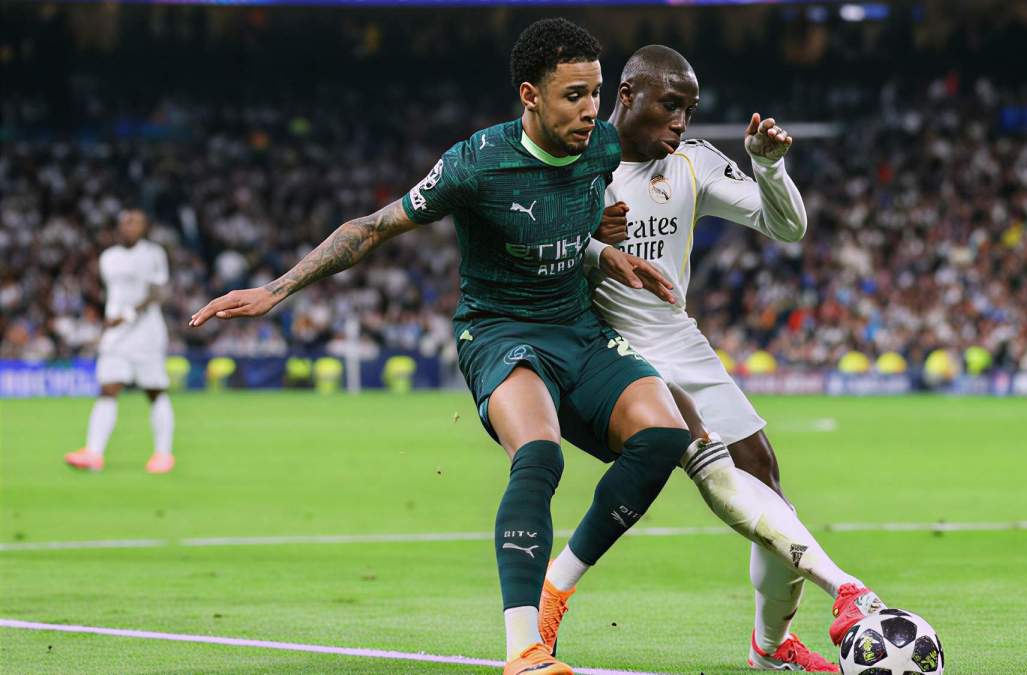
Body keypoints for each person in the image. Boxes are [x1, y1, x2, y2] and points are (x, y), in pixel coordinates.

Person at [189, 20, 694, 675]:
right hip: (500, 331)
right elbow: (373, 227)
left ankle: (557, 586)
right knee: (539, 455)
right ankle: (524, 649)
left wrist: (603, 249)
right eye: (574, 95)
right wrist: (275, 290)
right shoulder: (476, 163)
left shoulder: (600, 147)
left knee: (664, 437)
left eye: (596, 93)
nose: (591, 110)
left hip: (578, 328)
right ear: (529, 95)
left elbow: (578, 215)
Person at [538, 46, 884, 671]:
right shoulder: (579, 163)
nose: (681, 122)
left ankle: (770, 647)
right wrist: (589, 246)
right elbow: (533, 251)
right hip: (609, 347)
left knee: (765, 478)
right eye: (670, 105)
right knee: (704, 463)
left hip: (679, 340)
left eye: (690, 110)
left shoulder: (693, 164)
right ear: (627, 95)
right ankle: (846, 590)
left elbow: (787, 228)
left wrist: (768, 167)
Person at [65, 209, 176, 474]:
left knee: (154, 391)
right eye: (125, 223)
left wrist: (125, 315)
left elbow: (158, 294)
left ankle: (163, 455)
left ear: (144, 227)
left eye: (135, 223)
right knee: (108, 389)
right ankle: (94, 453)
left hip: (147, 333)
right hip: (116, 335)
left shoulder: (153, 254)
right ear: (118, 227)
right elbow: (113, 293)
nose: (129, 227)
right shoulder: (109, 257)